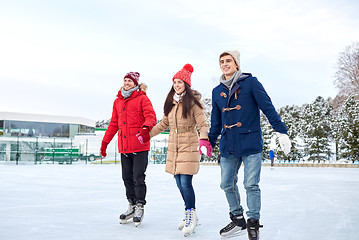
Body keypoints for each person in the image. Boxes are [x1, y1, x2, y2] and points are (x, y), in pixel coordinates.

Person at [208, 50, 291, 240]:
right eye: (221, 61)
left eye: (228, 60)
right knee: (226, 184)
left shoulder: (251, 83)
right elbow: (215, 123)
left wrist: (281, 131)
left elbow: (267, 107)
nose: (225, 64)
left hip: (250, 142)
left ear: (237, 64)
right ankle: (238, 219)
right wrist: (209, 142)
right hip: (228, 144)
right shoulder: (216, 91)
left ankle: (253, 222)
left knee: (251, 184)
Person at [146, 64, 212, 236]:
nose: (176, 84)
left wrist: (204, 139)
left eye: (180, 82)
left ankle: (191, 214)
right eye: (174, 82)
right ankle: (190, 213)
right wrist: (147, 135)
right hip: (174, 145)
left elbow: (203, 123)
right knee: (178, 183)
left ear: (186, 84)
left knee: (186, 183)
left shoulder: (193, 103)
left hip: (189, 143)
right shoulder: (171, 102)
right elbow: (164, 124)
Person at [100, 71, 156, 227]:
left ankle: (139, 206)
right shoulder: (118, 101)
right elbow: (113, 124)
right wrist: (105, 142)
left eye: (130, 81)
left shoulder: (142, 98)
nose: (127, 83)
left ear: (136, 83)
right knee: (127, 178)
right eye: (125, 80)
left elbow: (151, 116)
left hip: (139, 145)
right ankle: (131, 205)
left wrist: (145, 128)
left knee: (138, 177)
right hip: (124, 147)